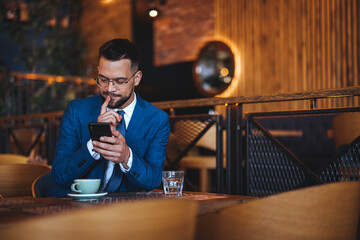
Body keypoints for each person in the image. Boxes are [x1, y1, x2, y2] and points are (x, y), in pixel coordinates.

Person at [39, 38, 170, 197]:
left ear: (136, 78)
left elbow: (154, 180)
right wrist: (95, 142)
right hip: (79, 209)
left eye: (120, 81)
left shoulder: (157, 119)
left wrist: (126, 157)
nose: (109, 89)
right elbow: (60, 176)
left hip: (126, 213)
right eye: (103, 79)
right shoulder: (77, 111)